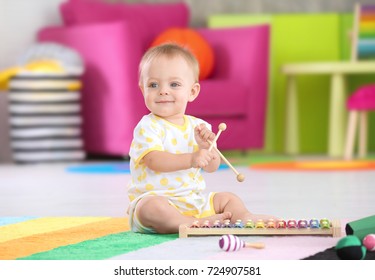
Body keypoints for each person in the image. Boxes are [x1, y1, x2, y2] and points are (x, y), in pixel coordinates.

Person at [128, 43, 274, 234]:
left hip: (193, 202)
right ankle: (185, 223)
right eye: (153, 85)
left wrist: (208, 149)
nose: (163, 91)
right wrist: (192, 158)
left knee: (227, 198)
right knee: (149, 208)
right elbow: (154, 160)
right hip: (158, 200)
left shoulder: (198, 126)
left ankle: (243, 217)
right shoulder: (148, 126)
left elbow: (212, 167)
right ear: (142, 90)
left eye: (174, 84)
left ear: (193, 92)